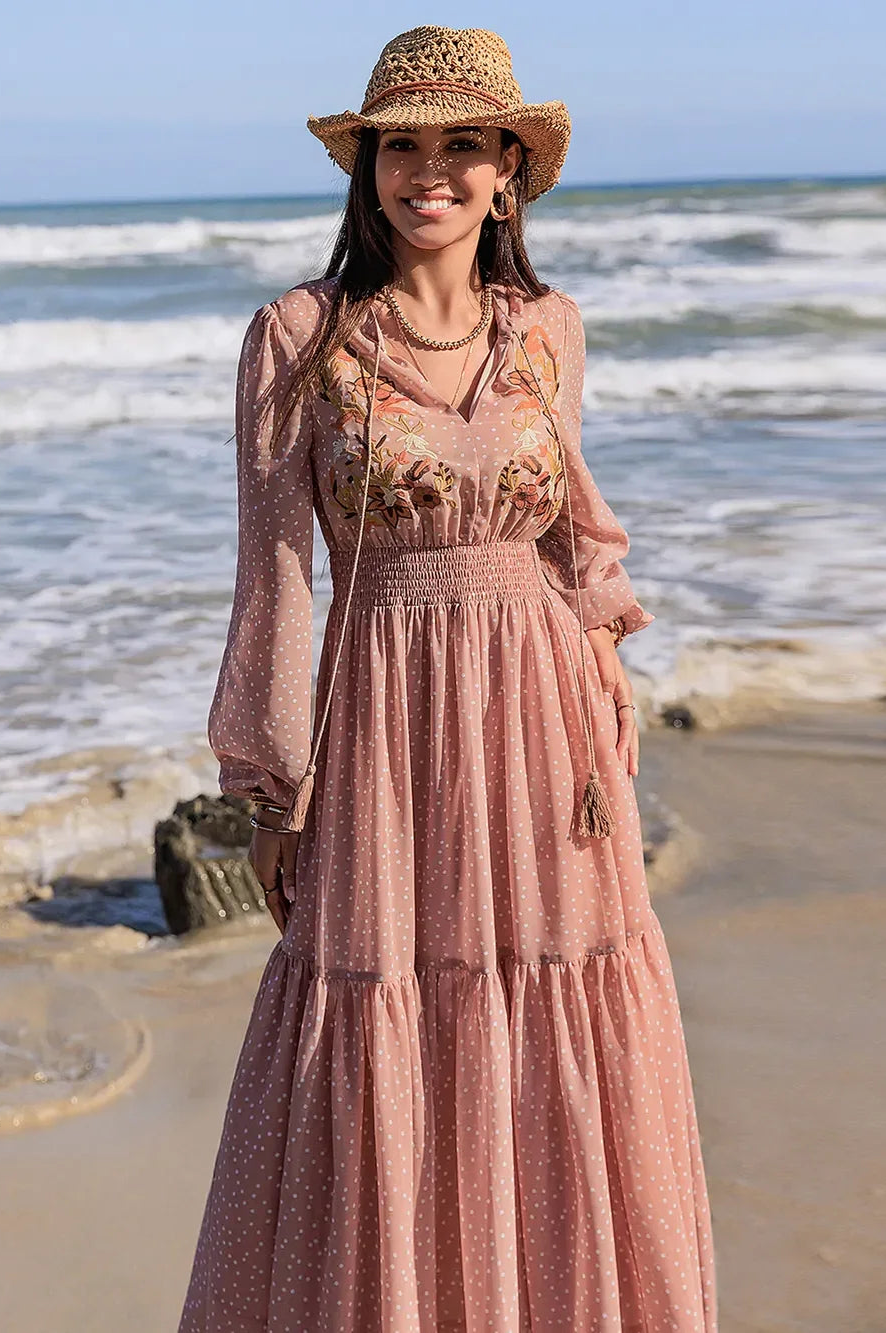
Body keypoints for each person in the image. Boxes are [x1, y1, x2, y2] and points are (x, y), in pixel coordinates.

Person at [177, 25, 717, 1333]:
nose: (431, 169)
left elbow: (572, 541)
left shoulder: (551, 329)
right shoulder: (297, 337)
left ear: (507, 174)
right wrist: (271, 779)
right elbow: (276, 574)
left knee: (557, 997)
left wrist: (608, 696)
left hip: (548, 731)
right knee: (383, 1019)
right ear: (365, 170)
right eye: (401, 145)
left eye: (462, 143)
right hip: (385, 732)